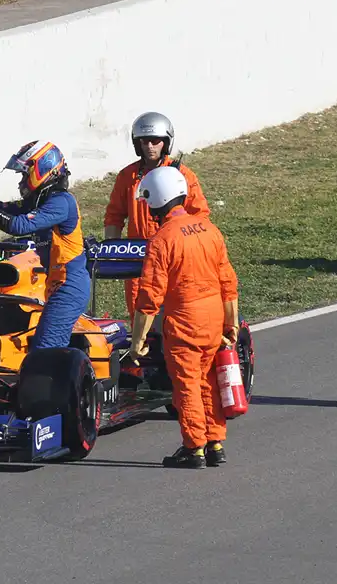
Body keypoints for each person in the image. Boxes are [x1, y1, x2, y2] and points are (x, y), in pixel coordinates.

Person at [126, 165, 239, 469]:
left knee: (187, 385)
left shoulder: (162, 240)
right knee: (208, 382)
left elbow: (149, 298)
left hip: (184, 322)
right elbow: (229, 282)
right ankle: (215, 443)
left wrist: (137, 343)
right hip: (214, 318)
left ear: (154, 201)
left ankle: (195, 448)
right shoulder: (209, 229)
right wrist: (232, 324)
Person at [0, 140, 90, 351]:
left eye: (24, 174)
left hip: (69, 287)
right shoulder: (40, 202)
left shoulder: (62, 202)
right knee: (41, 345)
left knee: (45, 349)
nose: (22, 181)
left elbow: (18, 226)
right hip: (58, 285)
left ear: (42, 170)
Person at [103, 111, 211, 319]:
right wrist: (111, 249)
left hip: (174, 254)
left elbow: (200, 216)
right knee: (140, 314)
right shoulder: (128, 176)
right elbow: (114, 215)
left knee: (177, 311)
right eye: (144, 141)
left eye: (155, 141)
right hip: (138, 257)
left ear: (165, 142)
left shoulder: (183, 175)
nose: (150, 146)